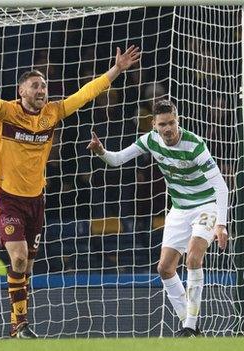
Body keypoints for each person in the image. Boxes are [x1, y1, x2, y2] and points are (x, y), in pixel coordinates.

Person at [0, 40, 140, 338]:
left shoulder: (53, 113)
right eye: (36, 86)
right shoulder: (6, 113)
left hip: (36, 200)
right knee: (20, 257)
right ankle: (20, 324)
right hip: (8, 199)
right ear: (22, 91)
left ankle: (19, 325)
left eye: (45, 86)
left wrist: (115, 69)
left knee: (27, 268)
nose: (42, 91)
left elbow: (86, 94)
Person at [87, 100, 229, 337]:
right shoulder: (150, 140)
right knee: (164, 269)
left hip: (205, 206)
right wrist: (101, 151)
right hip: (179, 210)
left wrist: (222, 224)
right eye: (162, 124)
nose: (168, 128)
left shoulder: (194, 145)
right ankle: (190, 324)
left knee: (193, 258)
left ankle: (190, 326)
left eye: (172, 122)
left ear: (178, 121)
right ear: (153, 124)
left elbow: (221, 187)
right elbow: (118, 159)